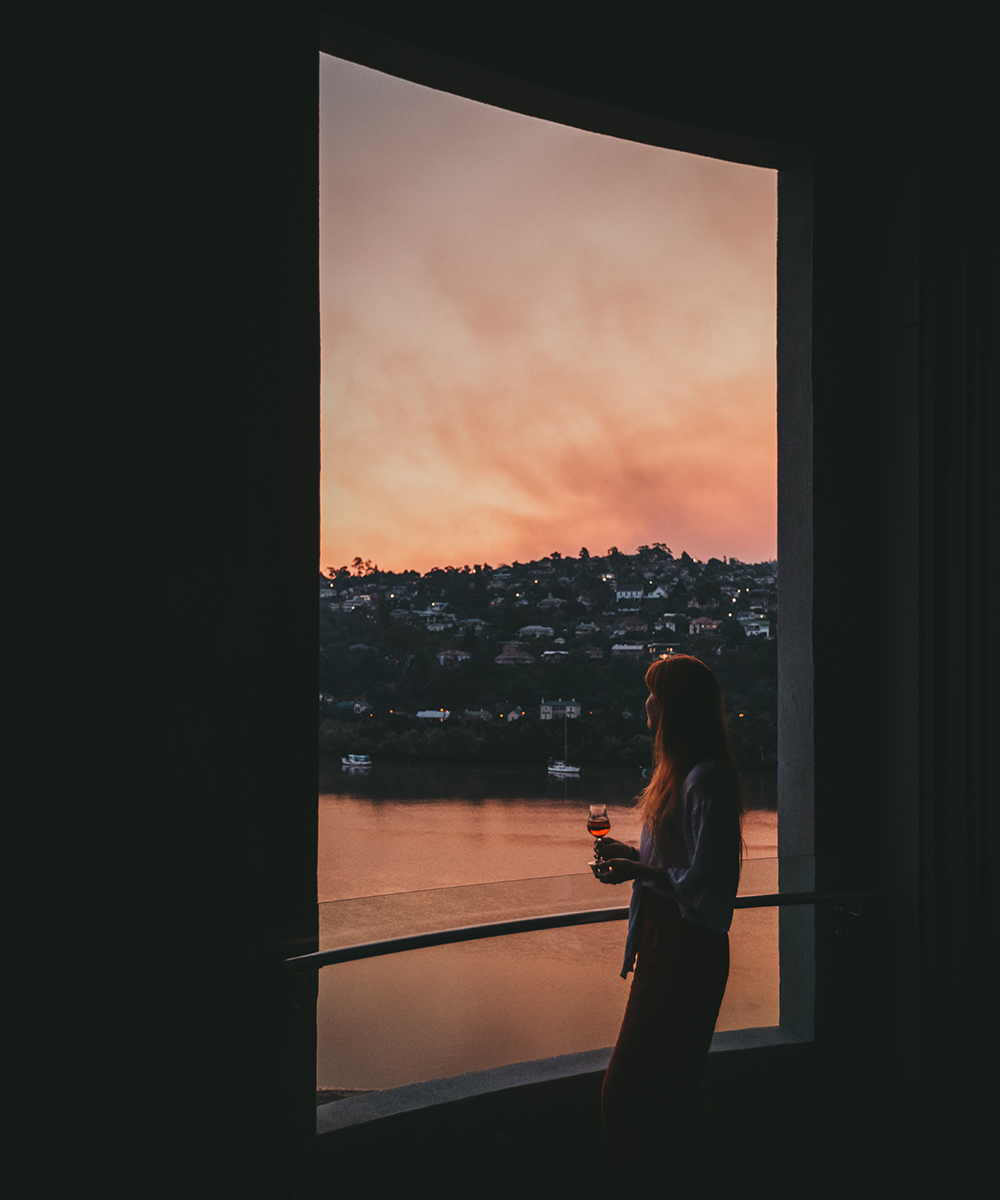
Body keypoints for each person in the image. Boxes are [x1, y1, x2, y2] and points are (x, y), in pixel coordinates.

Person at [592, 654, 745, 1200]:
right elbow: (679, 862)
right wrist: (634, 854)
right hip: (667, 944)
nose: (647, 703)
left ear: (674, 705)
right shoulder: (680, 774)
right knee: (674, 1092)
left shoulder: (705, 780)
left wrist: (637, 870)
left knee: (623, 1094)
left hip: (685, 950)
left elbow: (709, 881)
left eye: (654, 692)